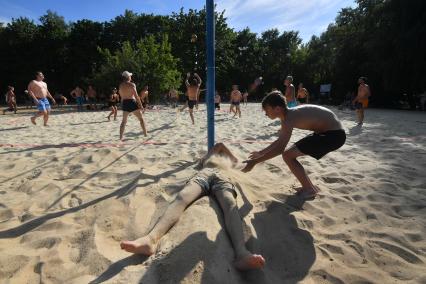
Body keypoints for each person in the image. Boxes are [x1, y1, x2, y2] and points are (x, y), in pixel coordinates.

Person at [120, 142, 265, 271]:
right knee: (182, 198)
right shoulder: (207, 159)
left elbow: (244, 164)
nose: (221, 153)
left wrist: (234, 160)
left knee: (229, 203)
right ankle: (150, 240)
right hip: (203, 174)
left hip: (223, 178)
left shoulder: (234, 164)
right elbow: (219, 145)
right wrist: (218, 157)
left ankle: (241, 253)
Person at [242, 91, 346, 200]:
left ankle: (309, 189)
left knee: (287, 155)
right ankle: (309, 187)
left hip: (333, 136)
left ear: (277, 109)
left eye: (267, 110)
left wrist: (255, 162)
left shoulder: (288, 118)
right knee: (288, 154)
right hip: (330, 133)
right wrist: (261, 153)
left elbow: (279, 149)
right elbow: (279, 141)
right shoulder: (288, 115)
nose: (266, 114)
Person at [119, 71, 147, 140]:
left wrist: (122, 104)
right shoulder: (132, 84)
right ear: (128, 77)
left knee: (123, 121)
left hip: (125, 102)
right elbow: (136, 96)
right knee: (141, 119)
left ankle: (120, 137)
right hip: (131, 102)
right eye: (130, 76)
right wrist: (141, 106)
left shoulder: (121, 85)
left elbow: (122, 96)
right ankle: (145, 134)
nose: (131, 77)